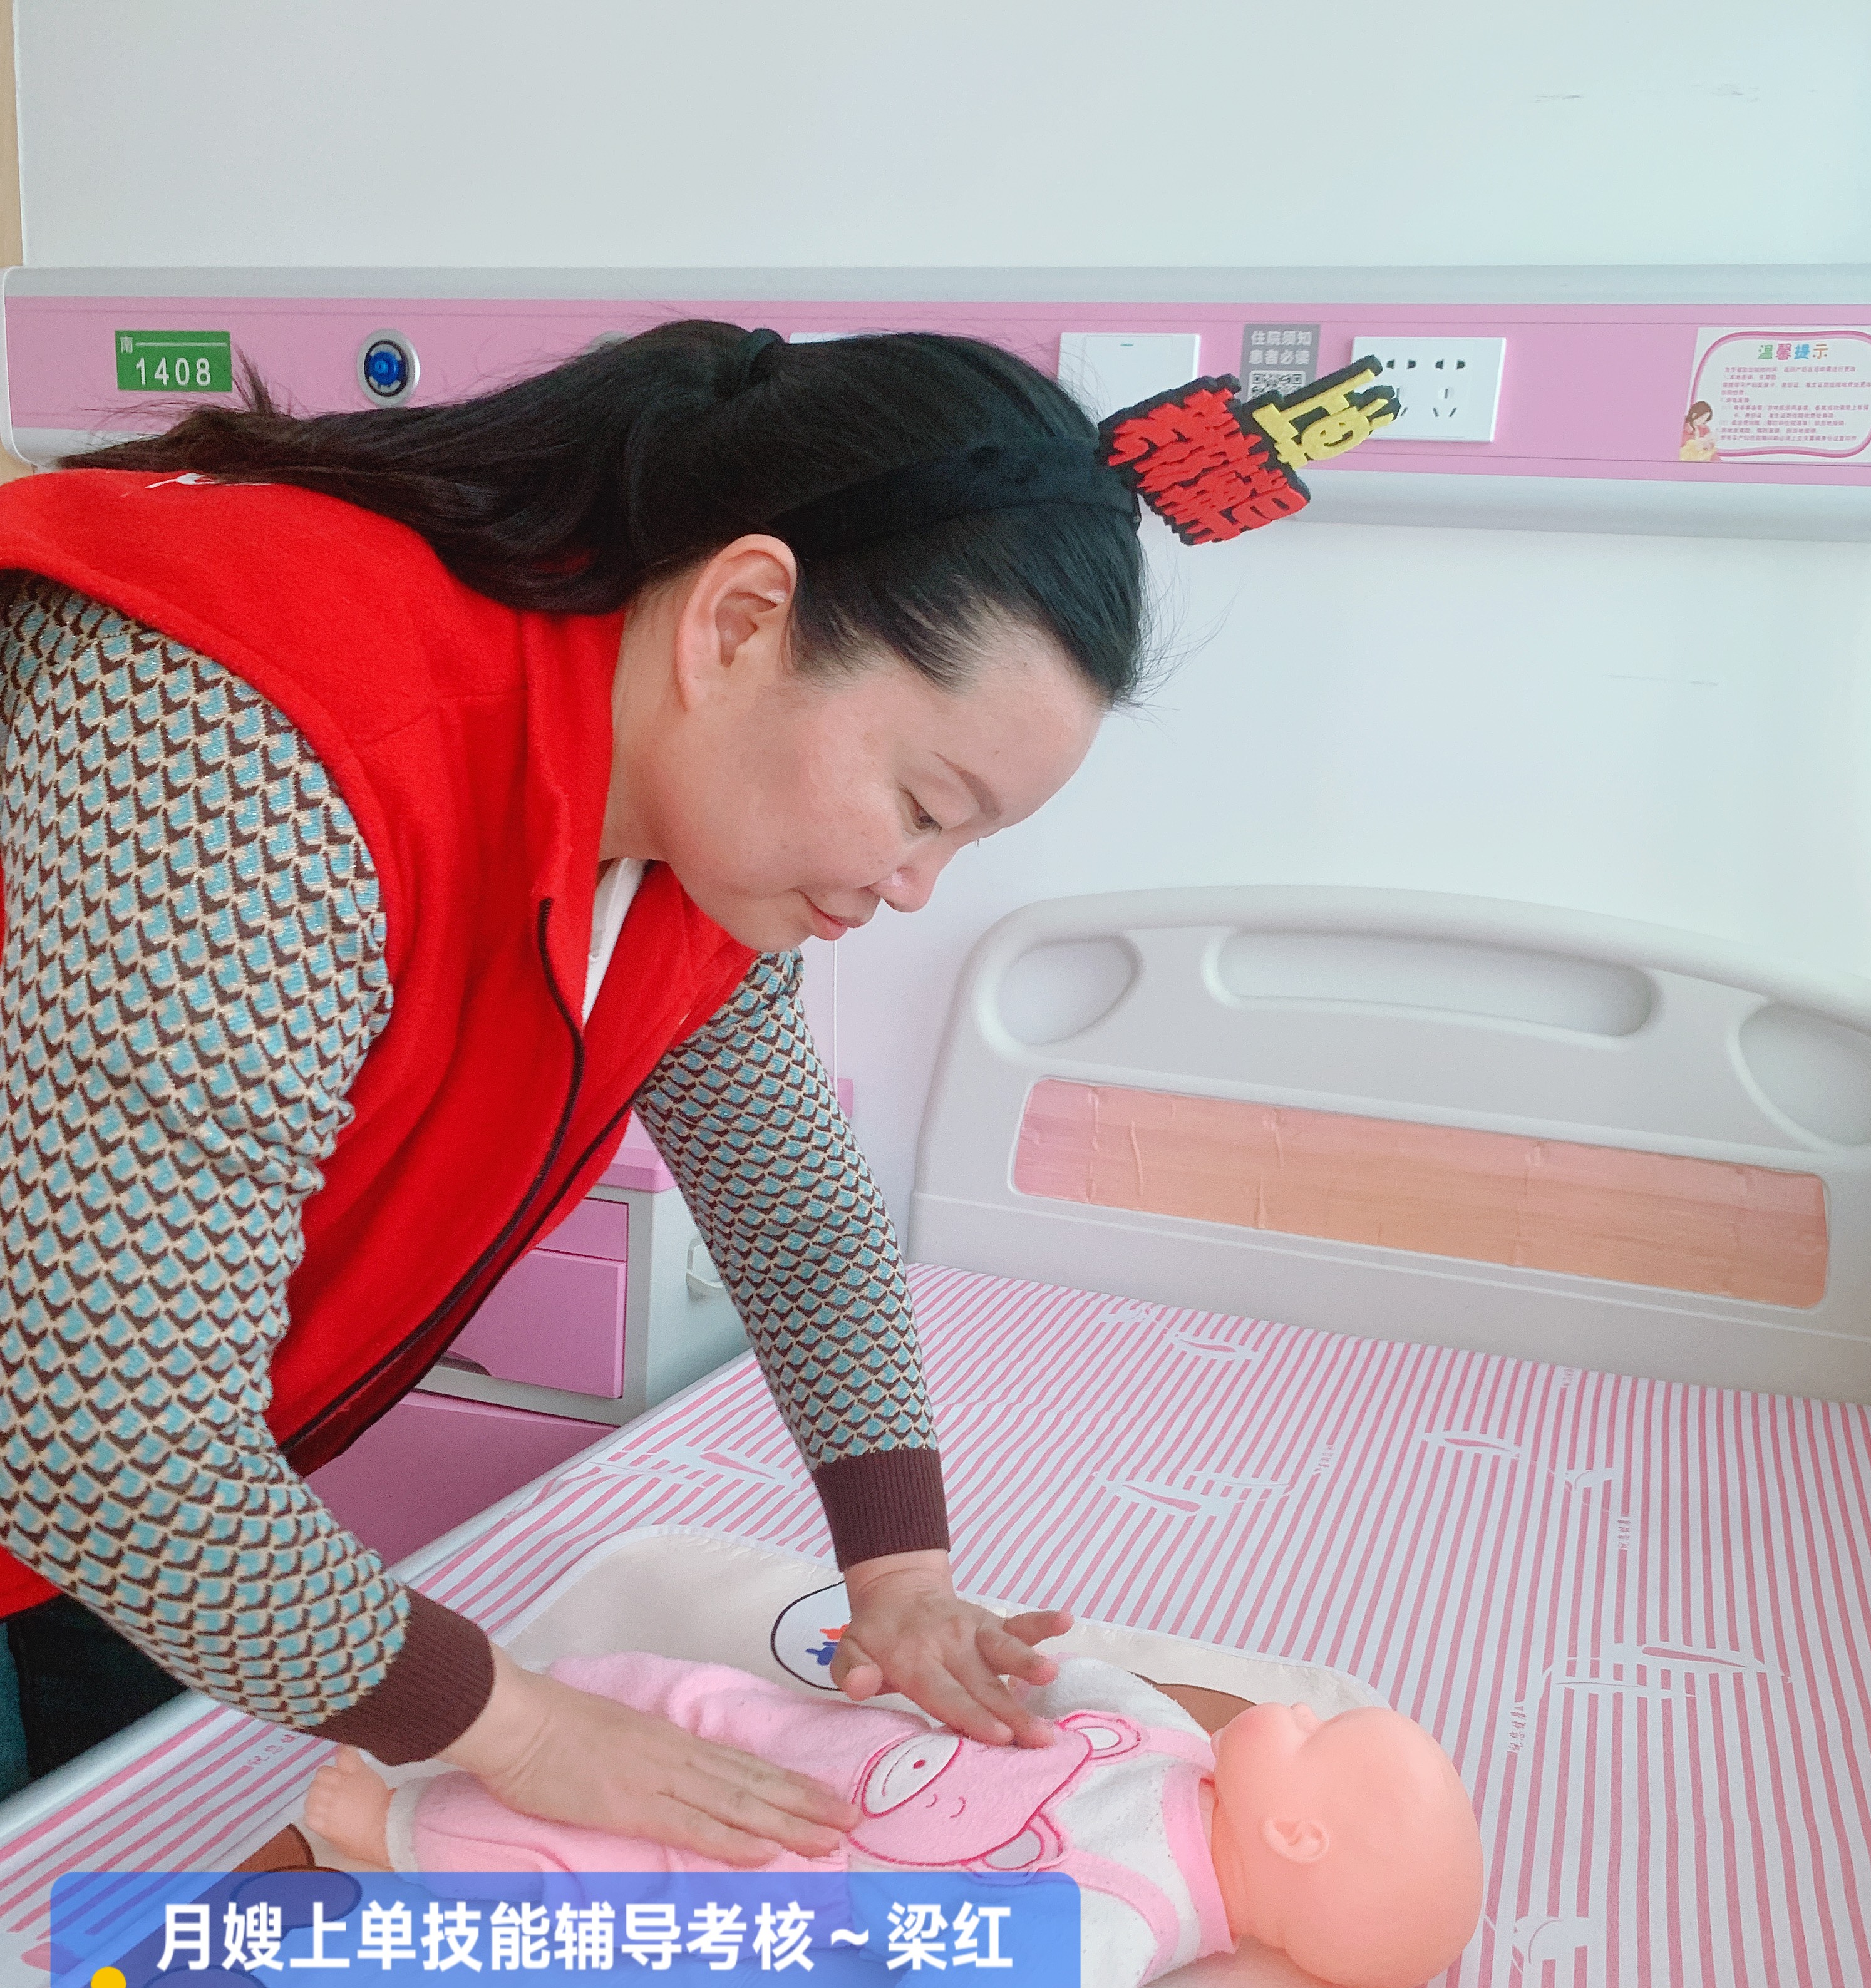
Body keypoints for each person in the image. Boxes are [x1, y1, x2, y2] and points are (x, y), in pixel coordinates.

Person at [0, 322, 1151, 1851]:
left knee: (118, 1856)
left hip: (83, 1488)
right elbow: (106, 1442)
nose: (913, 883)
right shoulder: (259, 739)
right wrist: (524, 1727)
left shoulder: (689, 845)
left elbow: (799, 1224)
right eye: (920, 805)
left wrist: (903, 1577)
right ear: (741, 619)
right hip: (80, 1448)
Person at [301, 1641, 1485, 1988]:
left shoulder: (1116, 1912)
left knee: (607, 1860)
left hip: (782, 1850)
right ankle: (508, 1708)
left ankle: (392, 1833)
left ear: (1298, 1835)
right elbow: (1082, 1686)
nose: (1301, 1711)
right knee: (669, 1694)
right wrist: (991, 1652)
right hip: (811, 1740)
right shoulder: (1179, 1744)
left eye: (1322, 1737)